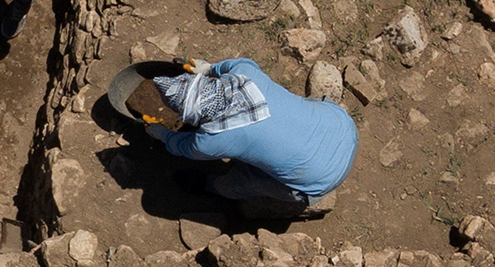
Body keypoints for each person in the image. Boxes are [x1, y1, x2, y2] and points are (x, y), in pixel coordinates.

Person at [119, 58, 357, 221]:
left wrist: (161, 134)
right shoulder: (245, 72)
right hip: (343, 127)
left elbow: (183, 147)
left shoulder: (212, 140)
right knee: (302, 108)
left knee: (242, 182)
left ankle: (210, 187)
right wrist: (206, 69)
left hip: (319, 179)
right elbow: (220, 67)